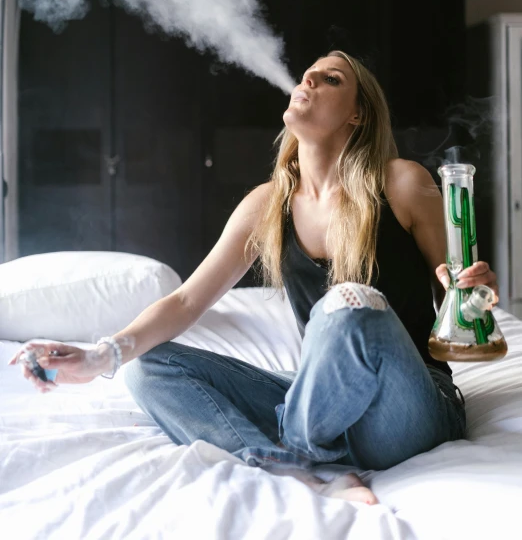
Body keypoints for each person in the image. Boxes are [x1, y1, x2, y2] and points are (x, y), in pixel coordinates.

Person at [9, 51, 499, 506]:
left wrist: (471, 294)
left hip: (407, 409)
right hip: (320, 401)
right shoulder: (267, 205)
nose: (308, 80)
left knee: (350, 302)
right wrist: (102, 354)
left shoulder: (402, 182)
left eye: (331, 80)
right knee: (145, 364)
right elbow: (184, 303)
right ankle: (285, 466)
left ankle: (300, 442)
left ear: (358, 115)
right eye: (308, 73)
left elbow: (457, 298)